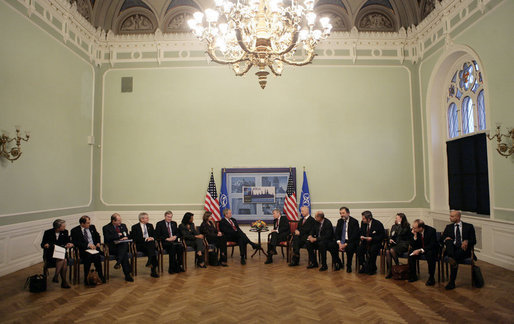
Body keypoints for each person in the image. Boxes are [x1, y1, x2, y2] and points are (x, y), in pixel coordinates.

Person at [441, 210, 476, 290]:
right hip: (452, 248)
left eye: (452, 216)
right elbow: (441, 239)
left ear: (458, 217)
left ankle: (451, 282)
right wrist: (445, 238)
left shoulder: (469, 226)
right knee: (448, 241)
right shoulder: (448, 227)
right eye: (450, 216)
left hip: (463, 249)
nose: (450, 218)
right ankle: (452, 258)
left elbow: (474, 240)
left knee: (454, 259)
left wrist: (467, 241)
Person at [70, 215, 106, 285]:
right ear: (82, 224)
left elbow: (97, 235)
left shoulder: (92, 227)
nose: (89, 224)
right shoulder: (75, 230)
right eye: (87, 223)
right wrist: (87, 245)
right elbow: (75, 242)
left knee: (97, 256)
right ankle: (86, 277)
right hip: (84, 250)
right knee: (88, 257)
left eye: (89, 222)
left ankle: (100, 275)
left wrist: (98, 242)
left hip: (94, 249)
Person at [41, 219, 74, 288]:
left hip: (61, 253)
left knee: (63, 259)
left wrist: (69, 244)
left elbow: (67, 242)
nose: (65, 227)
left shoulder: (65, 232)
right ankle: (63, 282)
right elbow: (42, 244)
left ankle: (56, 276)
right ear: (58, 227)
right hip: (51, 255)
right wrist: (45, 245)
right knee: (64, 260)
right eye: (63, 226)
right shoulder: (48, 232)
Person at [102, 213, 134, 282]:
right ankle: (127, 275)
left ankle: (118, 262)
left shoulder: (123, 226)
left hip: (122, 246)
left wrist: (126, 237)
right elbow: (107, 238)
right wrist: (117, 235)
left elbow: (127, 234)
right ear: (113, 221)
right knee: (124, 254)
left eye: (120, 220)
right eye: (118, 220)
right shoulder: (106, 227)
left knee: (124, 246)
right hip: (113, 247)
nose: (120, 222)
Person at [408, 219, 438, 286]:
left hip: (429, 249)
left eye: (414, 228)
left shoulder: (431, 231)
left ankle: (431, 278)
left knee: (430, 254)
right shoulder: (413, 231)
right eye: (412, 227)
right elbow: (413, 245)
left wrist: (420, 250)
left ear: (421, 228)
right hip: (420, 248)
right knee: (411, 252)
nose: (412, 229)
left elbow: (432, 245)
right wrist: (415, 236)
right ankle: (413, 275)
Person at [131, 212, 159, 278]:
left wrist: (152, 238)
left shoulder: (150, 225)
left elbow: (155, 234)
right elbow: (135, 238)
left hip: (150, 244)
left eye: (147, 217)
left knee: (151, 244)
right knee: (153, 252)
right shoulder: (135, 227)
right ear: (141, 219)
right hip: (141, 245)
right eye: (146, 218)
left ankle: (150, 264)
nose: (148, 219)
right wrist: (146, 239)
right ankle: (153, 270)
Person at [356, 210, 385, 275]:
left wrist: (372, 238)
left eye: (363, 218)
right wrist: (361, 236)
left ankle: (372, 268)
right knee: (359, 250)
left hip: (375, 242)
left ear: (368, 219)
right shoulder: (363, 223)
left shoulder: (378, 224)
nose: (362, 220)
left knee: (372, 250)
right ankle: (363, 265)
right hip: (365, 242)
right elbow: (361, 232)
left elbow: (382, 236)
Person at [385, 213, 412, 279]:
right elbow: (391, 235)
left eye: (397, 218)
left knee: (391, 250)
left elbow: (400, 233)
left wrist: (399, 224)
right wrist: (390, 239)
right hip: (395, 243)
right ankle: (390, 271)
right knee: (388, 251)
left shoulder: (406, 226)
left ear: (401, 219)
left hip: (404, 244)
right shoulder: (394, 226)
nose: (395, 219)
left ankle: (397, 266)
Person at [335, 207, 360, 273]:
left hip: (351, 241)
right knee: (332, 246)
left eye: (343, 213)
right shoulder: (339, 221)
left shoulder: (354, 222)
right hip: (342, 241)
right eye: (340, 213)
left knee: (350, 247)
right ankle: (338, 263)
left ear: (348, 213)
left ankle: (349, 265)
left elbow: (355, 235)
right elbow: (337, 233)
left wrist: (345, 244)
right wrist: (339, 243)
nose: (341, 215)